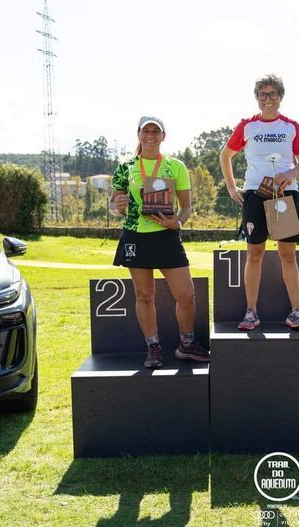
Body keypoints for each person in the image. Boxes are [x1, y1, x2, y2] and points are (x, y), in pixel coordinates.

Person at [110, 115, 209, 368]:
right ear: (139, 134)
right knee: (144, 295)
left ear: (163, 136)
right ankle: (153, 348)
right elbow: (115, 205)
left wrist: (178, 223)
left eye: (156, 131)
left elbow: (186, 208)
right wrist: (117, 205)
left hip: (166, 236)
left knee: (186, 295)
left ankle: (186, 345)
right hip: (135, 236)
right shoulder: (125, 167)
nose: (150, 136)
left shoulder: (176, 166)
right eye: (146, 131)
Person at [219, 74, 299, 331]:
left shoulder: (291, 126)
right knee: (254, 254)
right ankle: (251, 313)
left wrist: (291, 173)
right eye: (262, 94)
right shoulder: (247, 126)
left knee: (287, 255)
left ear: (281, 97)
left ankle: (296, 312)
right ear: (256, 97)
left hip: (285, 195)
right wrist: (231, 186)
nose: (267, 99)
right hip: (254, 195)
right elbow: (225, 155)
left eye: (273, 94)